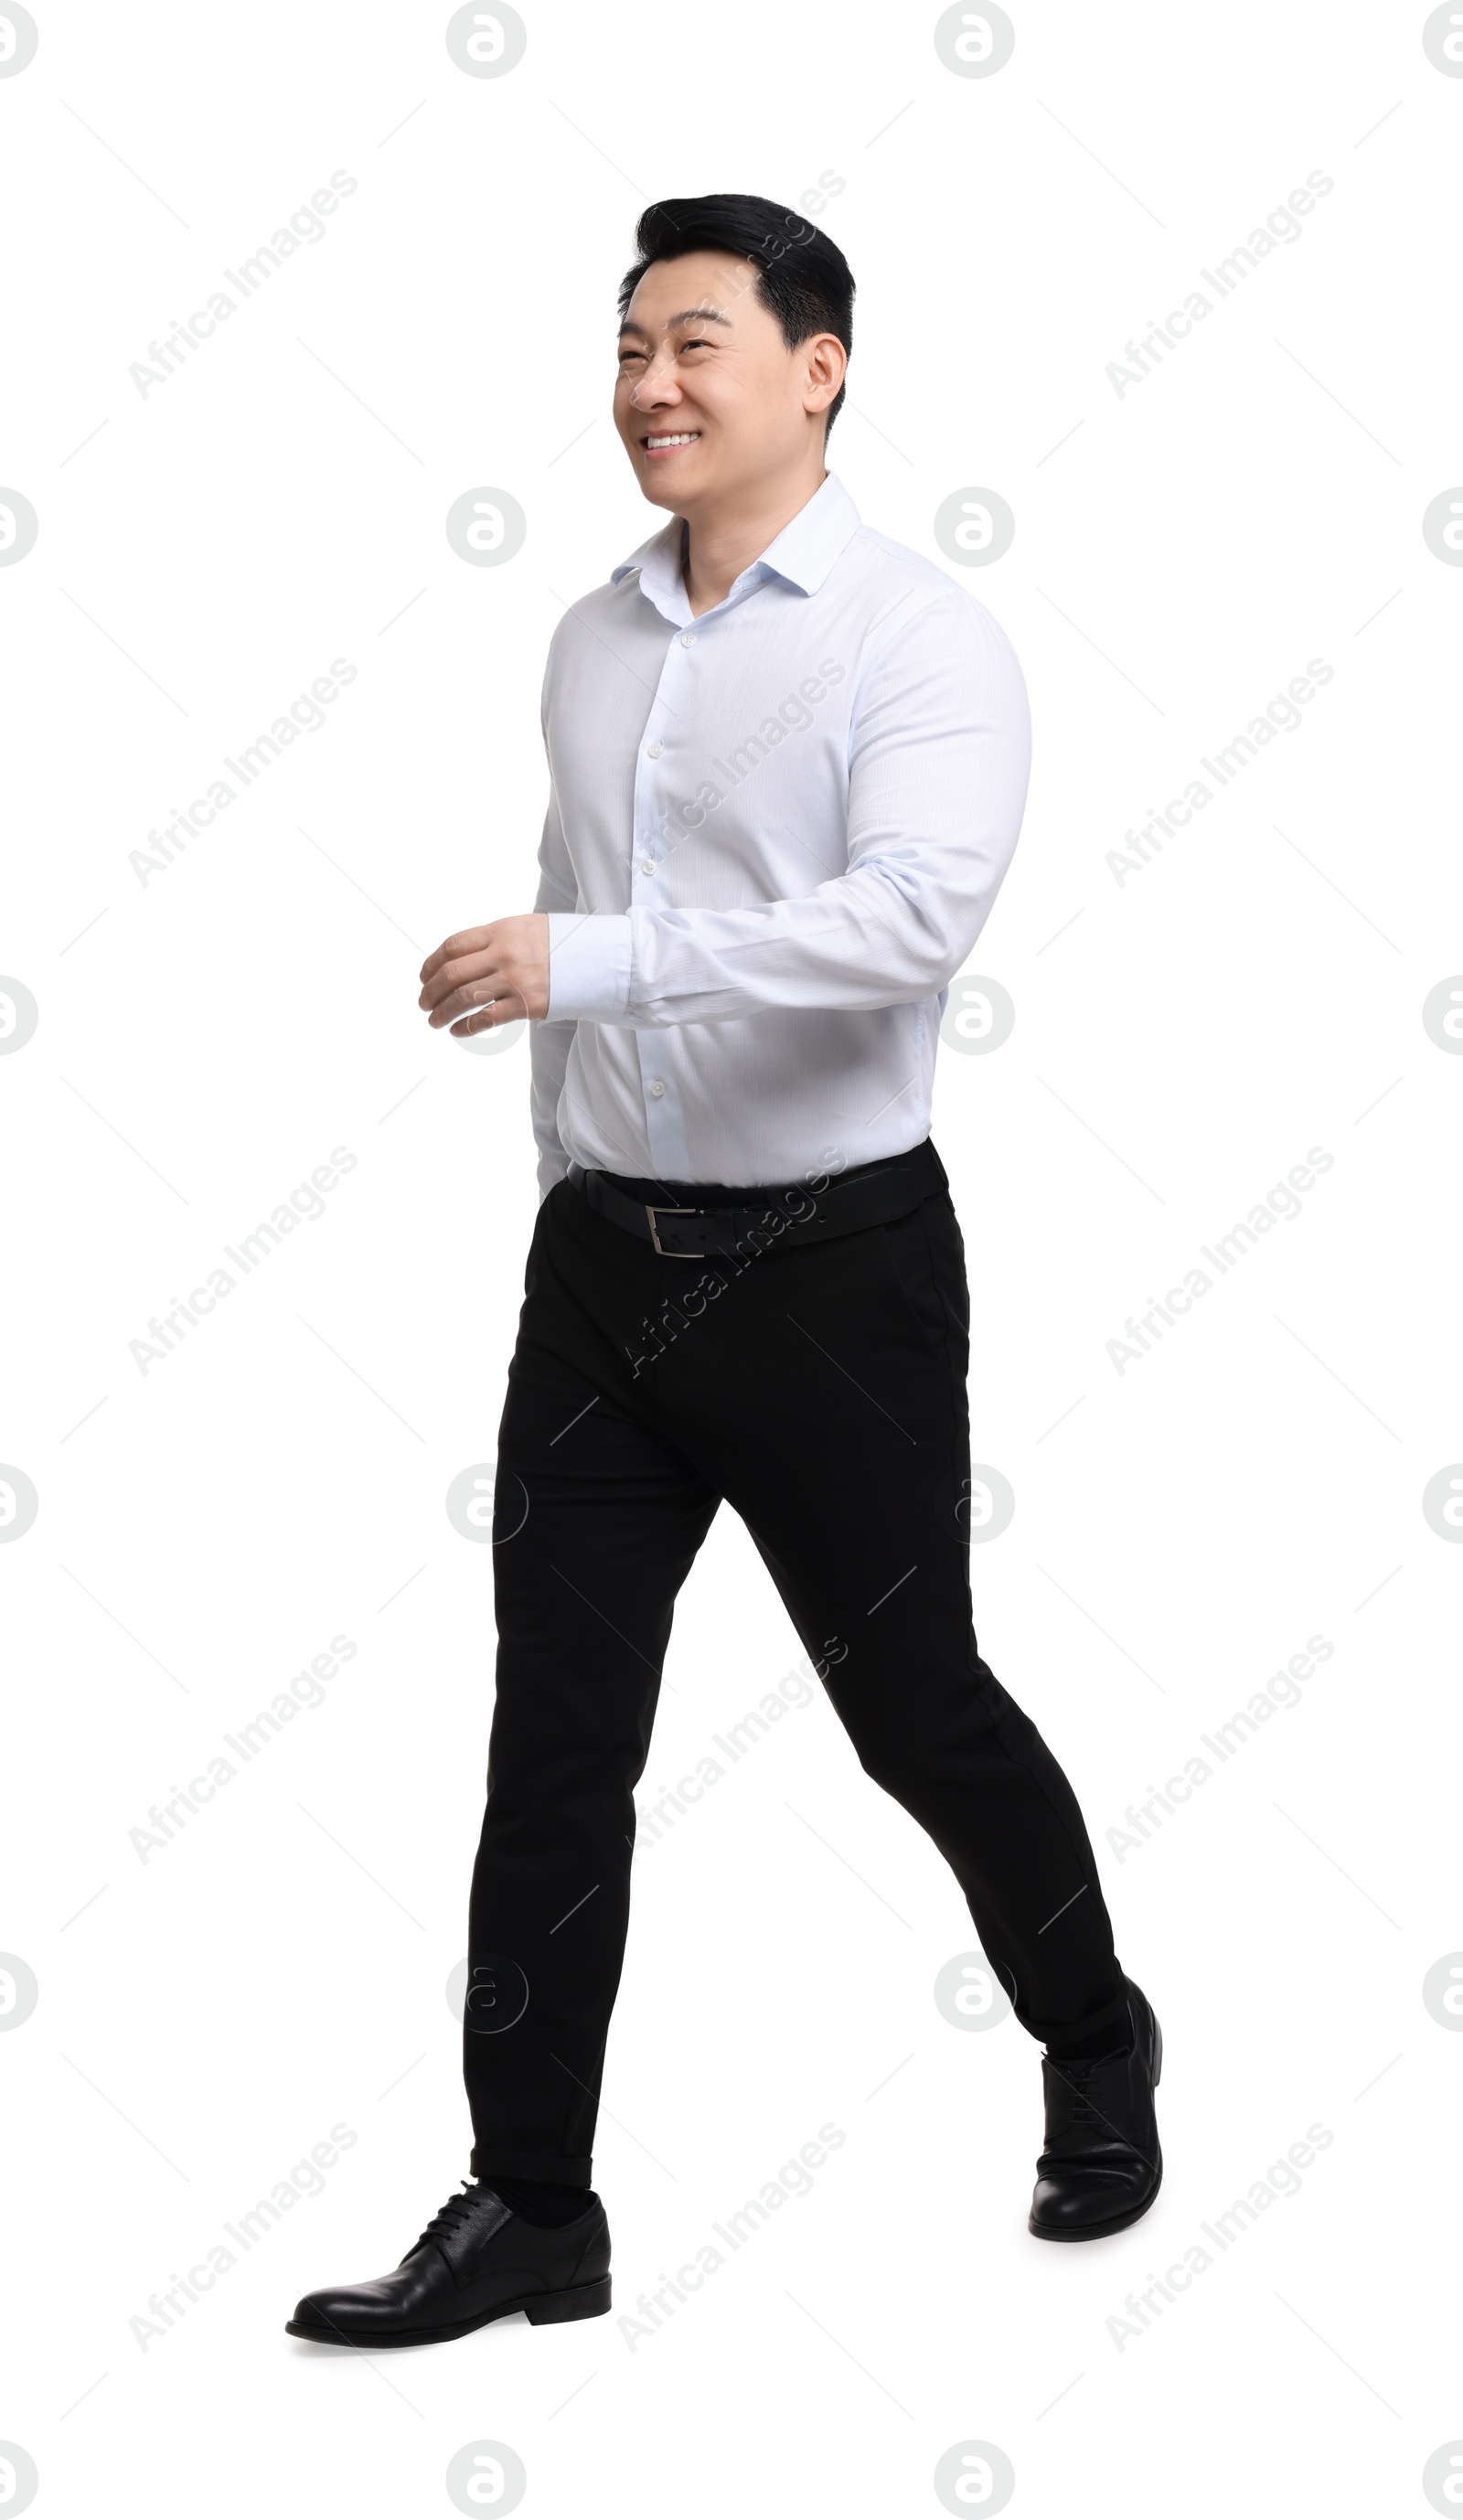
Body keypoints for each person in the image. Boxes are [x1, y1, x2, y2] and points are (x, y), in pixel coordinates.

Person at [287, 193, 1161, 2354]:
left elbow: (901, 926)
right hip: (597, 1277)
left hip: (828, 1274)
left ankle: (1092, 2027)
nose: (647, 390)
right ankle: (528, 2206)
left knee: (909, 1709)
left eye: (692, 345)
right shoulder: (589, 638)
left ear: (818, 367)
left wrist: (589, 963)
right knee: (552, 1750)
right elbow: (588, 896)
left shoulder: (916, 639)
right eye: (624, 352)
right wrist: (574, 1109)